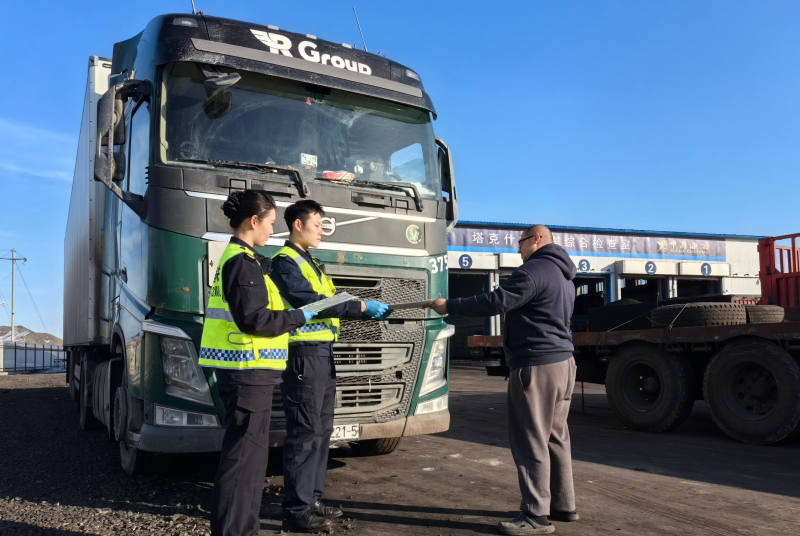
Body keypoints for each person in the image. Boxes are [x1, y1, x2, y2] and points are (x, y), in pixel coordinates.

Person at [430, 224, 579, 535]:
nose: (518, 249)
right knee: (555, 437)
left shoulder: (535, 270)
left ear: (536, 239)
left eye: (520, 242)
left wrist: (450, 306)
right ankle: (563, 505)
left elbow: (496, 301)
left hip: (536, 365)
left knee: (530, 439)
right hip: (564, 364)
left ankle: (536, 515)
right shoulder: (564, 275)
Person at [199, 190, 318, 536]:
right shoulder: (242, 261)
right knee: (243, 463)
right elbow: (255, 319)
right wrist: (300, 316)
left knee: (250, 461)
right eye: (270, 223)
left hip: (250, 374)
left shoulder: (243, 258)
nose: (272, 230)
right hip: (246, 373)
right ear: (254, 221)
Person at [269, 199, 389, 533]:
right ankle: (296, 509)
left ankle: (311, 498)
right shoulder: (284, 262)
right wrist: (360, 306)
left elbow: (330, 301)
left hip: (322, 353)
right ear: (297, 225)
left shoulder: (310, 262)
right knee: (305, 432)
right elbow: (313, 303)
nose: (322, 231)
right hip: (303, 355)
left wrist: (358, 305)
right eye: (318, 224)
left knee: (322, 432)